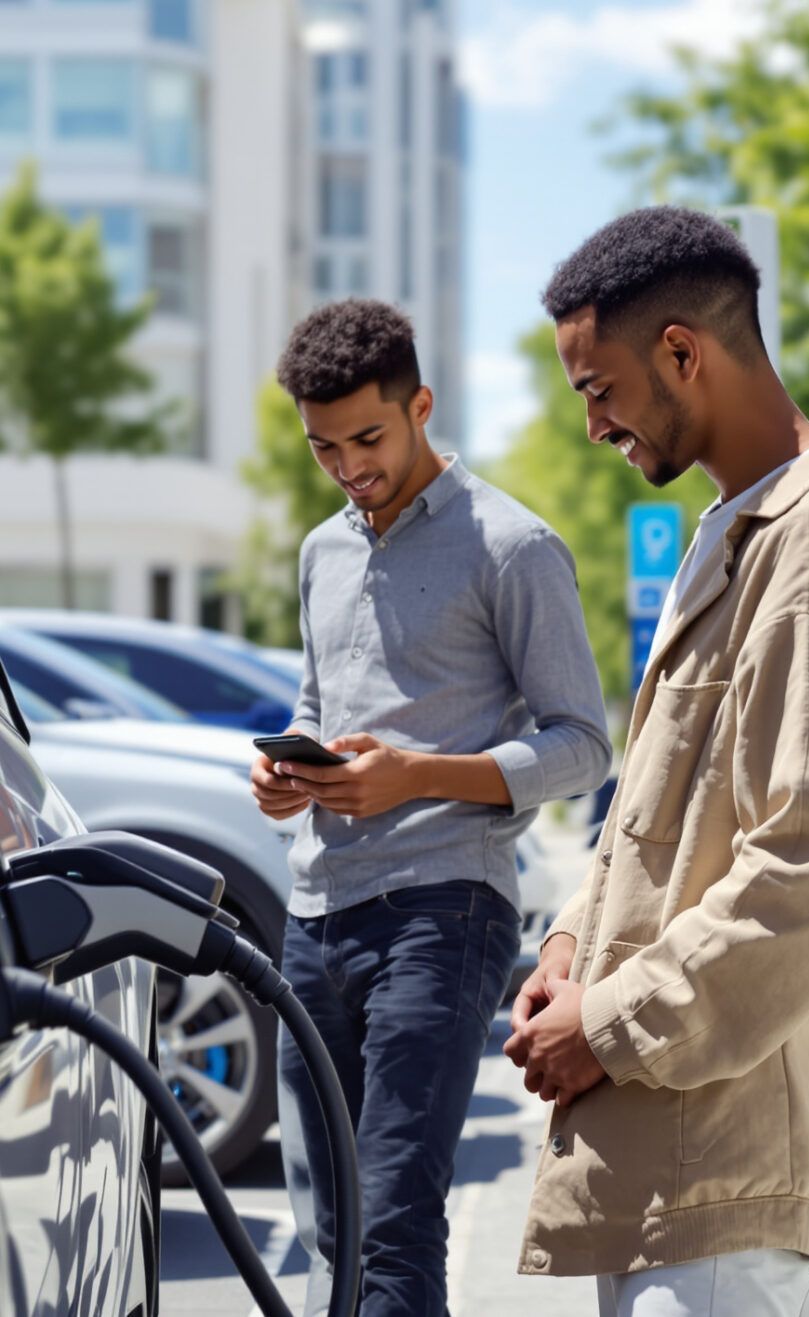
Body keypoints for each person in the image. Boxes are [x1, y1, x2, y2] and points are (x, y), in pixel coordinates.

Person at [500, 207, 809, 1315]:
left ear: (681, 352)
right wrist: (570, 945)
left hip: (725, 1171)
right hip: (681, 1157)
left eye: (599, 389)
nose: (592, 426)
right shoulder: (744, 531)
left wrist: (609, 1024)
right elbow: (662, 812)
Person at [253, 298, 612, 1317]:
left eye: (367, 438)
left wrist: (419, 775)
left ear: (420, 406)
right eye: (324, 447)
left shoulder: (512, 546)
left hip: (442, 911)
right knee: (328, 1224)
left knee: (392, 1220)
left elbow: (582, 745)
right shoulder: (321, 552)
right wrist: (287, 775)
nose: (347, 466)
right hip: (315, 913)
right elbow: (318, 709)